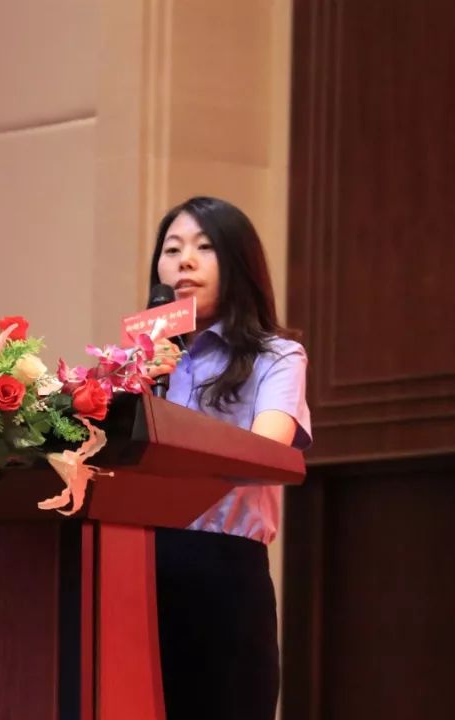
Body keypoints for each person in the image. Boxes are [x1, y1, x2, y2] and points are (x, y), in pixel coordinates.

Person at [149, 196, 312, 720]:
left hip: (224, 569)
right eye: (172, 249)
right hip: (138, 565)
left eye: (204, 247)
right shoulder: (139, 363)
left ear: (238, 262)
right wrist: (130, 384)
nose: (184, 261)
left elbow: (266, 451)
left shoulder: (276, 356)